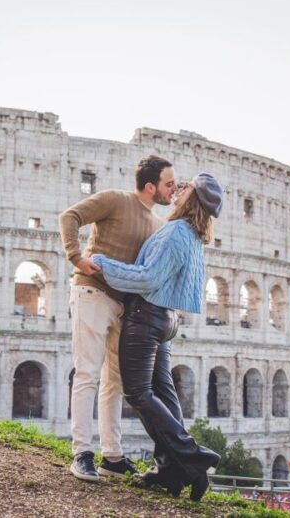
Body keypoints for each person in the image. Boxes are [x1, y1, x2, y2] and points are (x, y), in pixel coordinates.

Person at [90, 173, 223, 501]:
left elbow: (148, 277)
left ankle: (192, 455)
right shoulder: (193, 234)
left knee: (137, 393)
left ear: (191, 197)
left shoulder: (176, 231)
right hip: (166, 319)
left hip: (146, 316)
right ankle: (171, 469)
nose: (178, 190)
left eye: (185, 186)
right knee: (164, 395)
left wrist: (102, 263)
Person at [58, 155, 178, 481]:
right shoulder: (115, 199)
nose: (174, 190)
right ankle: (81, 452)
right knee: (86, 372)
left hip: (126, 307)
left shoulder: (158, 225)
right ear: (151, 186)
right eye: (170, 183)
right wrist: (76, 257)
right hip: (92, 293)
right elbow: (70, 216)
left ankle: (112, 456)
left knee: (115, 382)